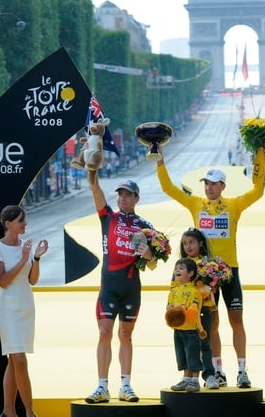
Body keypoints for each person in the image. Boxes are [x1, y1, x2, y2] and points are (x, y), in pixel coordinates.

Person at [156, 144, 265, 388]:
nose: (209, 188)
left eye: (214, 184)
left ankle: (242, 371)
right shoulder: (196, 204)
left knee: (236, 321)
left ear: (223, 187)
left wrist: (260, 150)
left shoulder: (234, 205)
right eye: (206, 183)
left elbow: (258, 190)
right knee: (211, 325)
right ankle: (217, 371)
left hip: (229, 272)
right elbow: (168, 188)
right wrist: (160, 161)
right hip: (204, 277)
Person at [85, 170, 157, 404]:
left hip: (131, 286)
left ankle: (125, 386)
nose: (123, 198)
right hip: (109, 285)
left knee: (125, 335)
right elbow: (96, 189)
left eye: (128, 195)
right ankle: (101, 386)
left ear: (137, 198)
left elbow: (154, 265)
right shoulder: (108, 217)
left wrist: (148, 255)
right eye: (121, 195)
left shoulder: (145, 226)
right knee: (104, 332)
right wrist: (92, 173)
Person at [0, 205, 48, 417]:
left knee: (14, 362)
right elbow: (3, 281)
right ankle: (30, 412)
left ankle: (8, 411)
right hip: (8, 309)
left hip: (26, 307)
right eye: (21, 220)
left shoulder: (26, 246)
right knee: (20, 359)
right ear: (8, 224)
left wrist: (36, 258)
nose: (25, 224)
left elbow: (31, 280)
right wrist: (24, 258)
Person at [178, 228, 219, 389]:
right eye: (185, 244)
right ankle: (187, 376)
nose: (188, 246)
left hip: (205, 308)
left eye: (192, 242)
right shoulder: (181, 264)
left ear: (200, 243)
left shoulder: (209, 264)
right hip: (186, 310)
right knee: (187, 343)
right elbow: (175, 285)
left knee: (204, 341)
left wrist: (213, 286)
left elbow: (214, 285)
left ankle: (209, 374)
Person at [167, 258, 203, 393]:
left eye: (181, 268)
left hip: (190, 330)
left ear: (191, 273)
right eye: (176, 268)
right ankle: (186, 379)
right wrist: (171, 310)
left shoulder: (194, 291)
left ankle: (195, 381)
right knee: (181, 355)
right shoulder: (173, 291)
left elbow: (194, 309)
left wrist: (181, 309)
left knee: (192, 354)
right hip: (178, 329)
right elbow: (169, 307)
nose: (177, 270)